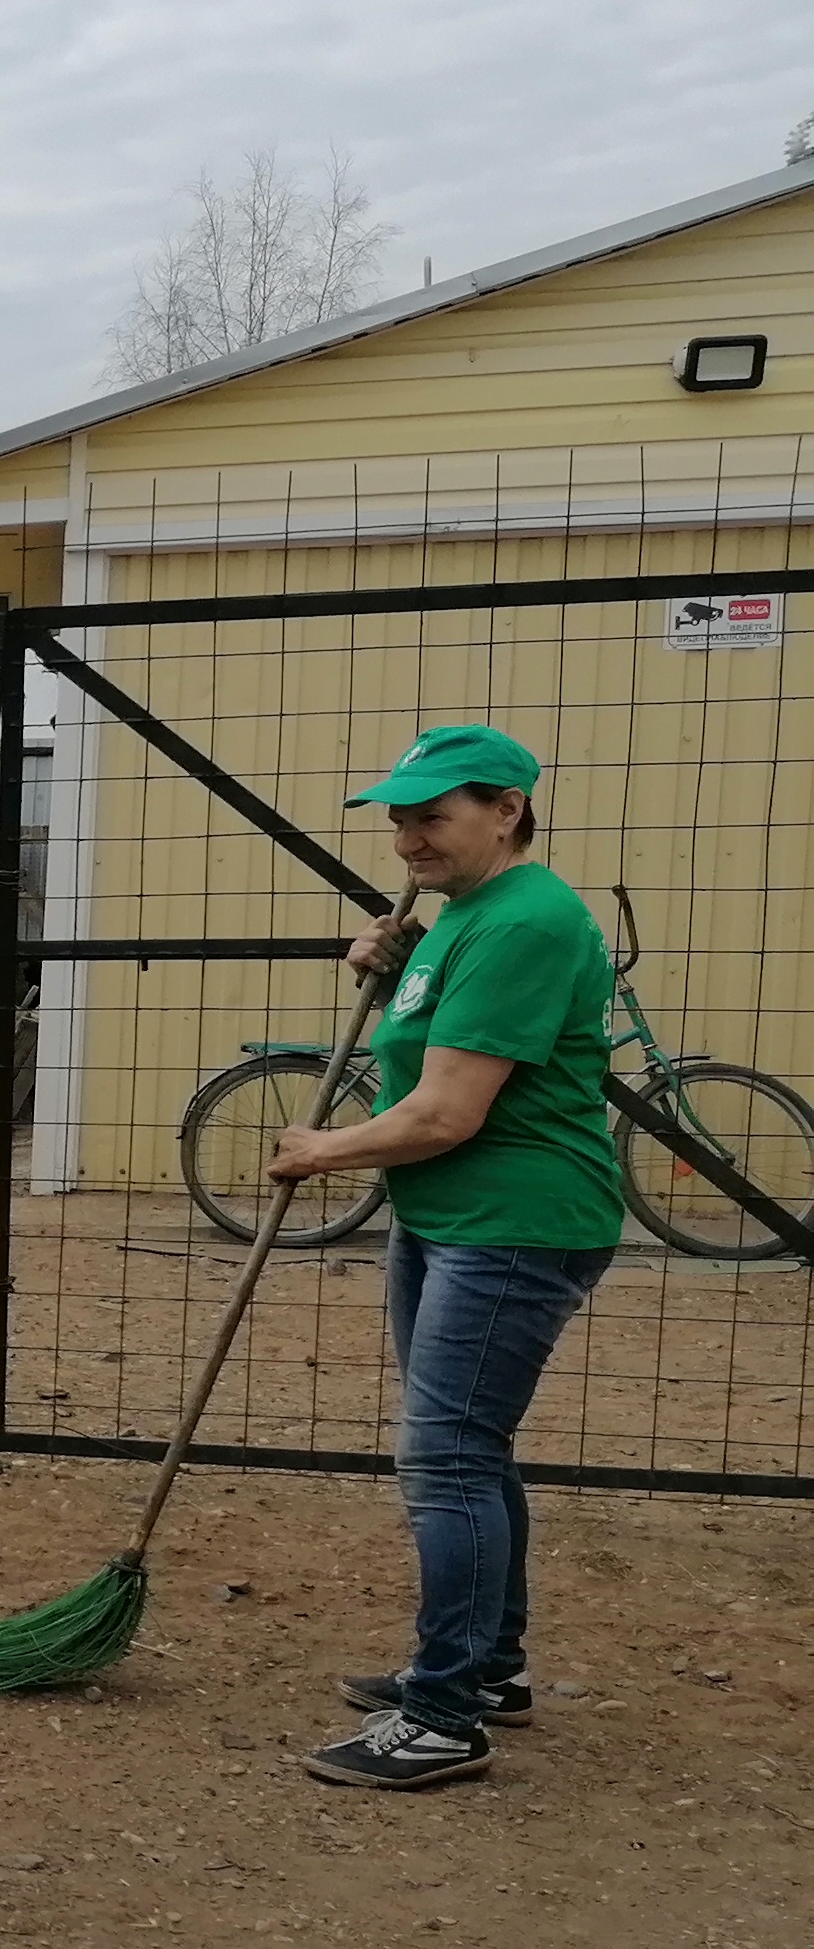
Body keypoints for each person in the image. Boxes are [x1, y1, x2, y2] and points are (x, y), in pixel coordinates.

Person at [270, 723, 618, 1790]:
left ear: (505, 809)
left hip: (512, 1222)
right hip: (451, 1218)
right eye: (399, 819)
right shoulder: (464, 916)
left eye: (433, 815)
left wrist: (323, 1148)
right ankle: (489, 1670)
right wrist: (387, 958)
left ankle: (441, 1717)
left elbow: (446, 1113)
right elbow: (428, 1049)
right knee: (474, 1449)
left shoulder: (525, 921)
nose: (407, 836)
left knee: (447, 1460)